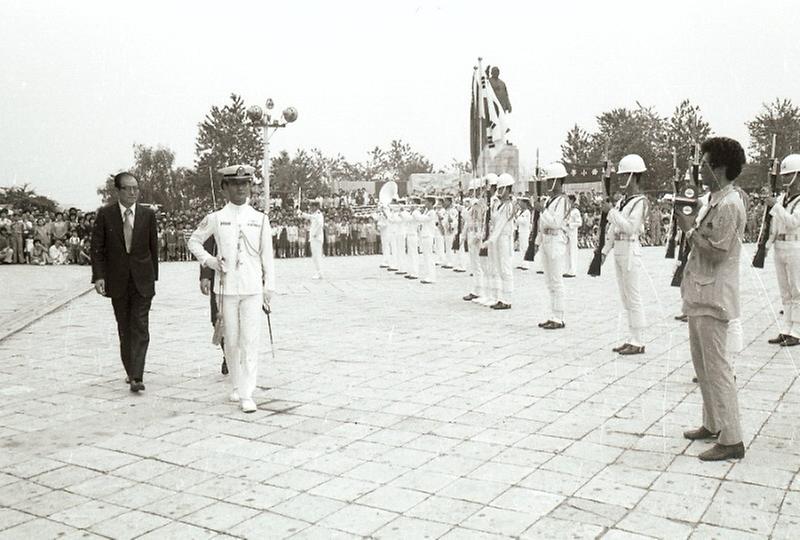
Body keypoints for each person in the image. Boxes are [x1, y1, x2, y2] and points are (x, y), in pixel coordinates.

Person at [677, 136, 746, 461]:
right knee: (702, 365)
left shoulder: (731, 204)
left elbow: (717, 250)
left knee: (717, 368)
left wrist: (689, 229)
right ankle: (713, 422)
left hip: (714, 294)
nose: (699, 170)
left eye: (704, 164)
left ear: (718, 167)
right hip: (701, 293)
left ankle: (732, 438)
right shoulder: (716, 200)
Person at [188, 165, 275, 414]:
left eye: (245, 183)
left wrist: (269, 287)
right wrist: (211, 262)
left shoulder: (260, 219)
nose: (240, 188)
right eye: (235, 184)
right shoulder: (216, 218)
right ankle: (236, 384)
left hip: (252, 288)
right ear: (224, 188)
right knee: (232, 340)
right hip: (225, 289)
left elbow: (268, 256)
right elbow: (193, 241)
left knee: (250, 340)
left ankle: (248, 393)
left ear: (250, 186)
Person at [91, 172, 159, 393]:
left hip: (142, 280)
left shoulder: (148, 215)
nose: (133, 192)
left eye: (136, 188)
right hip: (117, 280)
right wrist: (99, 276)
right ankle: (130, 370)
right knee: (124, 327)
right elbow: (97, 248)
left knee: (140, 326)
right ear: (118, 191)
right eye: (128, 188)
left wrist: (153, 278)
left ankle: (137, 375)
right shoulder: (106, 215)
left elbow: (153, 249)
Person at [601, 154, 649, 355]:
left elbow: (630, 227)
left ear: (634, 176)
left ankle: (638, 340)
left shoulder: (640, 202)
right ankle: (631, 337)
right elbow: (613, 229)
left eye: (624, 176)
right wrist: (604, 251)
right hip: (619, 249)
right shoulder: (623, 201)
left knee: (633, 295)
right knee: (625, 296)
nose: (620, 180)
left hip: (630, 249)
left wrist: (611, 212)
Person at [765, 153, 800, 346]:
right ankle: (786, 328)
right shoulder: (783, 198)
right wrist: (767, 245)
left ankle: (797, 330)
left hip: (796, 246)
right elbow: (775, 225)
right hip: (781, 246)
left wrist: (776, 206)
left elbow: (793, 222)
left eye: (789, 175)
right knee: (785, 290)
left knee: (797, 289)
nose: (785, 179)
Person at [535, 163, 569, 329]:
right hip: (547, 240)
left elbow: (555, 222)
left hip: (556, 240)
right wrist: (537, 241)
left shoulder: (562, 201)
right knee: (549, 280)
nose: (548, 184)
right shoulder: (550, 200)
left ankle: (559, 316)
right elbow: (543, 224)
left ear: (558, 181)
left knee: (556, 280)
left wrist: (542, 211)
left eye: (550, 181)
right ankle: (553, 313)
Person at [484, 173, 516, 309]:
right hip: (497, 238)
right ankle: (501, 297)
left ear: (508, 189)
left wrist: (490, 241)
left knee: (505, 268)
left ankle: (507, 299)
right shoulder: (499, 205)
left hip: (503, 238)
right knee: (499, 267)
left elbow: (500, 225)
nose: (499, 191)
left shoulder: (509, 205)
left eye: (502, 188)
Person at [200, 235, 228, 375]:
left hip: (242, 279)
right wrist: (205, 275)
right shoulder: (215, 218)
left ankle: (235, 355)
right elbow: (207, 248)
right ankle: (228, 355)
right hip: (218, 278)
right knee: (217, 319)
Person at [300, 199, 325, 279]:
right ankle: (319, 272)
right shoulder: (315, 214)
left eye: (311, 206)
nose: (310, 208)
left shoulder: (318, 214)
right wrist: (301, 214)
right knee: (315, 256)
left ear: (315, 207)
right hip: (314, 238)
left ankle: (319, 272)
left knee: (317, 256)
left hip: (316, 238)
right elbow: (310, 217)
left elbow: (320, 225)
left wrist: (315, 234)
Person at [417, 195, 438, 284]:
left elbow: (421, 219)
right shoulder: (427, 211)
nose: (424, 204)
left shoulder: (432, 212)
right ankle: (428, 275)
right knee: (426, 257)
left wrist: (415, 212)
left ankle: (431, 277)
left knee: (429, 257)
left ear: (430, 203)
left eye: (426, 202)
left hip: (428, 236)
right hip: (425, 236)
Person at [564, 195, 582, 277]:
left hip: (572, 233)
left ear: (572, 201)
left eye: (568, 200)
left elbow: (579, 223)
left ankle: (573, 271)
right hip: (566, 233)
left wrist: (570, 224)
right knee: (566, 252)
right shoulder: (567, 211)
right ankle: (567, 269)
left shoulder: (576, 211)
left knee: (573, 251)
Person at [515, 196, 532, 270]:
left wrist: (517, 218)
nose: (520, 203)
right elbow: (517, 222)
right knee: (521, 247)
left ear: (525, 203)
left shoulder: (527, 212)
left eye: (522, 202)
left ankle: (526, 264)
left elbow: (524, 221)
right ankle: (522, 263)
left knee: (525, 247)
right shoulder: (520, 211)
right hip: (520, 231)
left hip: (525, 231)